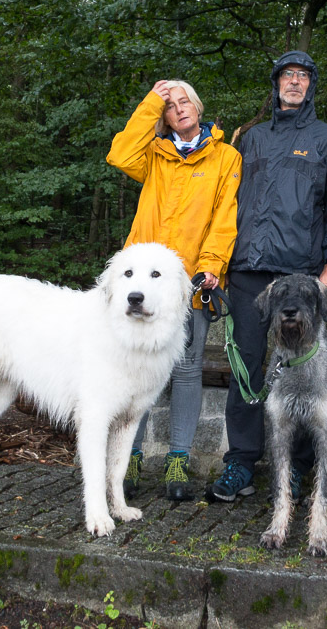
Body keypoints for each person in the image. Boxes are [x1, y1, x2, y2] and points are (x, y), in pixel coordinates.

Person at [205, 50, 327, 503]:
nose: (294, 82)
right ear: (276, 84)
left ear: (311, 86)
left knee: (302, 373)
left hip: (299, 275)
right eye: (287, 75)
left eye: (302, 76)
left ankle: (298, 470)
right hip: (248, 270)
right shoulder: (251, 140)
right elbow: (227, 200)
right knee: (245, 369)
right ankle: (241, 464)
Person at [107, 79, 241, 501]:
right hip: (141, 282)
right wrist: (151, 99)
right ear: (163, 116)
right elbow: (119, 153)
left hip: (189, 285)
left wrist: (212, 267)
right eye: (171, 106)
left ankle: (178, 458)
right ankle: (128, 454)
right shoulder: (155, 155)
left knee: (186, 369)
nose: (179, 109)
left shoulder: (226, 157)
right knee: (135, 368)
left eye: (185, 102)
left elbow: (225, 216)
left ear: (198, 108)